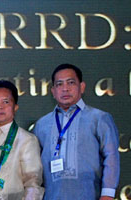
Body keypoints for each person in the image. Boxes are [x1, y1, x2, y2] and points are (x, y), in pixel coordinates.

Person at [33, 64, 120, 200]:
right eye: (59, 84)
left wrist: (108, 194)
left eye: (71, 82)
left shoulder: (99, 118)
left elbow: (111, 156)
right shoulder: (41, 124)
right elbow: (34, 167)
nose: (65, 88)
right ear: (53, 91)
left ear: (82, 87)